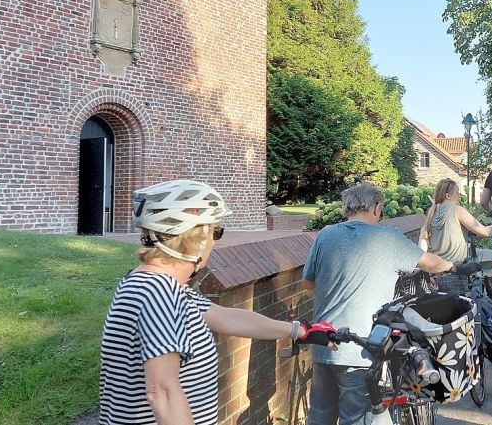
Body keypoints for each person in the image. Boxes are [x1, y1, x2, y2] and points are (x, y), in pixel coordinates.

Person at [99, 180, 335, 425]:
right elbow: (162, 392)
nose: (215, 241)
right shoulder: (159, 295)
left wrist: (299, 331)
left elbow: (227, 317)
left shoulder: (158, 287)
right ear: (198, 238)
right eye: (216, 231)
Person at [304, 183, 474, 425]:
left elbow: (309, 284)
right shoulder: (387, 237)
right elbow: (430, 263)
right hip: (361, 349)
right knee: (357, 419)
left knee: (319, 418)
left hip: (324, 345)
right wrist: (453, 266)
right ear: (376, 208)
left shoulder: (325, 235)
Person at [418, 177, 492, 262]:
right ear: (448, 196)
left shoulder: (432, 212)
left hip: (436, 269)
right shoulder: (457, 210)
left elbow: (423, 240)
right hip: (455, 269)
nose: (459, 195)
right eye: (457, 192)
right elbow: (486, 232)